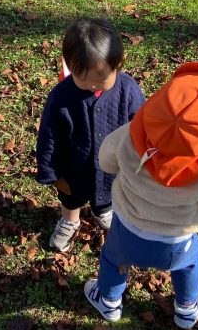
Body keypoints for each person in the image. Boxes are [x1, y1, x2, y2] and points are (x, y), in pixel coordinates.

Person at [83, 62, 198, 329]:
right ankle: (187, 309)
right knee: (190, 266)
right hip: (176, 245)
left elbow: (106, 161)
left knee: (112, 259)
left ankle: (108, 301)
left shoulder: (130, 134)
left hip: (127, 230)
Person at [36, 18, 145, 252]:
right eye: (81, 79)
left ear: (118, 64)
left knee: (109, 193)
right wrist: (50, 170)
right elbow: (49, 135)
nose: (91, 85)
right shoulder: (61, 97)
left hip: (113, 167)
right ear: (69, 66)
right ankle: (70, 220)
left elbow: (142, 125)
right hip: (73, 167)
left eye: (100, 79)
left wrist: (141, 156)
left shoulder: (128, 90)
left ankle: (103, 211)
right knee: (70, 197)